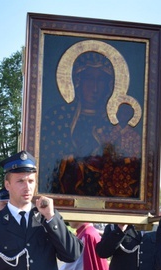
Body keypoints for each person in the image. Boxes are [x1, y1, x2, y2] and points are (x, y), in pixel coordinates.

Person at [41, 51, 142, 198]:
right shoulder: (57, 117)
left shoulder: (112, 122)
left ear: (109, 85)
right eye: (89, 78)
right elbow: (48, 161)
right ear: (77, 81)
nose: (95, 87)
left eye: (101, 80)